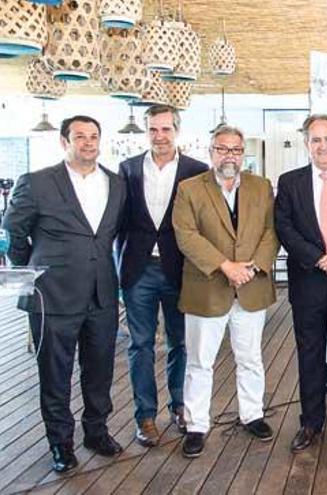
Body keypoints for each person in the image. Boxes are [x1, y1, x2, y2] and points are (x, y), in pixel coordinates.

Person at [1, 116, 126, 472]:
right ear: (64, 141)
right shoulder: (37, 182)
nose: (88, 142)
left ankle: (97, 433)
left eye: (94, 136)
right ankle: (61, 444)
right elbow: (13, 232)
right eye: (80, 136)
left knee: (99, 371)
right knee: (55, 375)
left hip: (102, 294)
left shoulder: (116, 184)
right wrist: (38, 270)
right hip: (52, 296)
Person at [172, 124, 279, 458]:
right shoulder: (189, 189)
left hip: (251, 286)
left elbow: (272, 231)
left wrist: (253, 267)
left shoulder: (261, 187)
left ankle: (252, 414)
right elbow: (186, 235)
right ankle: (196, 425)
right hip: (207, 288)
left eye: (235, 149)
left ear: (242, 152)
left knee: (250, 358)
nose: (229, 155)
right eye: (222, 148)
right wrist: (225, 266)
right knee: (200, 362)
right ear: (211, 151)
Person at [117, 104, 208, 446]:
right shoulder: (127, 169)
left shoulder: (197, 170)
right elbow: (118, 224)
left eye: (165, 129)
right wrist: (117, 267)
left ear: (177, 131)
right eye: (153, 130)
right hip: (138, 270)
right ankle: (145, 416)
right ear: (146, 132)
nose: (159, 136)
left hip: (180, 270)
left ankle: (180, 406)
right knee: (140, 345)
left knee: (180, 343)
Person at [274, 114, 327, 452]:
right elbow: (284, 228)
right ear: (306, 144)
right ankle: (310, 423)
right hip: (307, 282)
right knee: (309, 354)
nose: (322, 145)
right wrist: (317, 257)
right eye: (315, 140)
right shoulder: (290, 181)